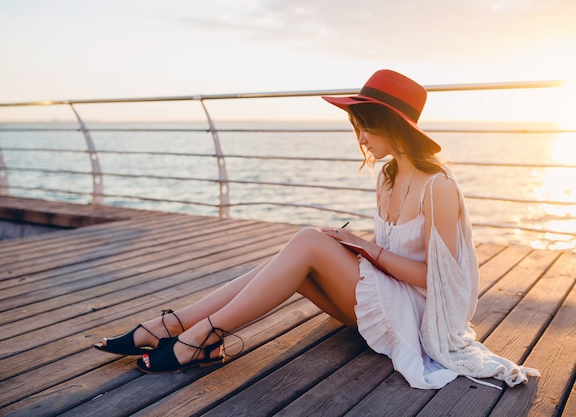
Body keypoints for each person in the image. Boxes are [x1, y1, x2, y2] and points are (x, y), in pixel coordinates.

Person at [94, 69, 539, 389]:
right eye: (357, 127)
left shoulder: (439, 187)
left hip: (423, 319)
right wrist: (350, 248)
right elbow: (381, 262)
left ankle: (190, 336)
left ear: (391, 126)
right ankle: (177, 327)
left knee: (307, 241)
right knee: (302, 255)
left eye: (365, 127)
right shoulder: (387, 178)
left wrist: (363, 248)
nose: (360, 138)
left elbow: (439, 282)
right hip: (386, 304)